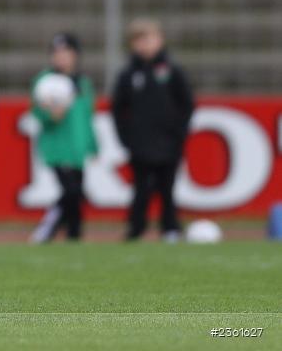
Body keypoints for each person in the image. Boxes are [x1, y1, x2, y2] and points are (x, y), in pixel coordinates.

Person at [111, 18, 194, 242]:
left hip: (169, 142)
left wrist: (180, 133)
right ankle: (136, 227)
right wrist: (126, 138)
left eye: (150, 39)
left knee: (167, 187)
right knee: (141, 188)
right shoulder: (128, 75)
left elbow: (186, 104)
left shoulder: (173, 70)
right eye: (140, 40)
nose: (145, 45)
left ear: (160, 40)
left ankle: (170, 227)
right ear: (132, 44)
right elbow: (118, 109)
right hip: (140, 143)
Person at [29, 33, 98, 243]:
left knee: (76, 195)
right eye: (56, 53)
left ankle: (74, 235)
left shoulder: (83, 82)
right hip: (57, 147)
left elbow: (87, 117)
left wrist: (92, 145)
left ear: (75, 55)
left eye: (65, 53)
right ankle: (49, 227)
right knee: (72, 191)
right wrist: (51, 115)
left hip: (77, 148)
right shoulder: (45, 81)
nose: (60, 58)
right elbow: (38, 112)